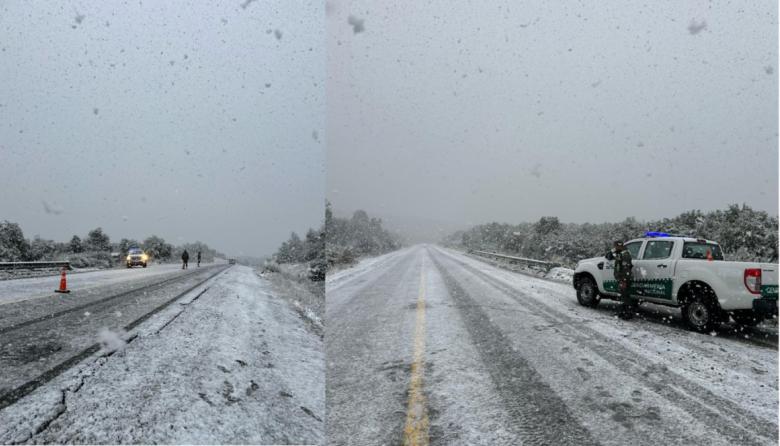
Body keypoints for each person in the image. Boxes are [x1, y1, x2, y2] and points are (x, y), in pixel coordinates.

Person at [606, 240, 635, 320]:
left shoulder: (625, 254)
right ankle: (622, 312)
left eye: (615, 246)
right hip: (622, 278)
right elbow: (608, 256)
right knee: (623, 296)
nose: (614, 248)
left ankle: (627, 314)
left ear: (619, 246)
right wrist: (613, 251)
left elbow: (626, 269)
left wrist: (623, 280)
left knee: (625, 296)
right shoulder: (620, 253)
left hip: (624, 278)